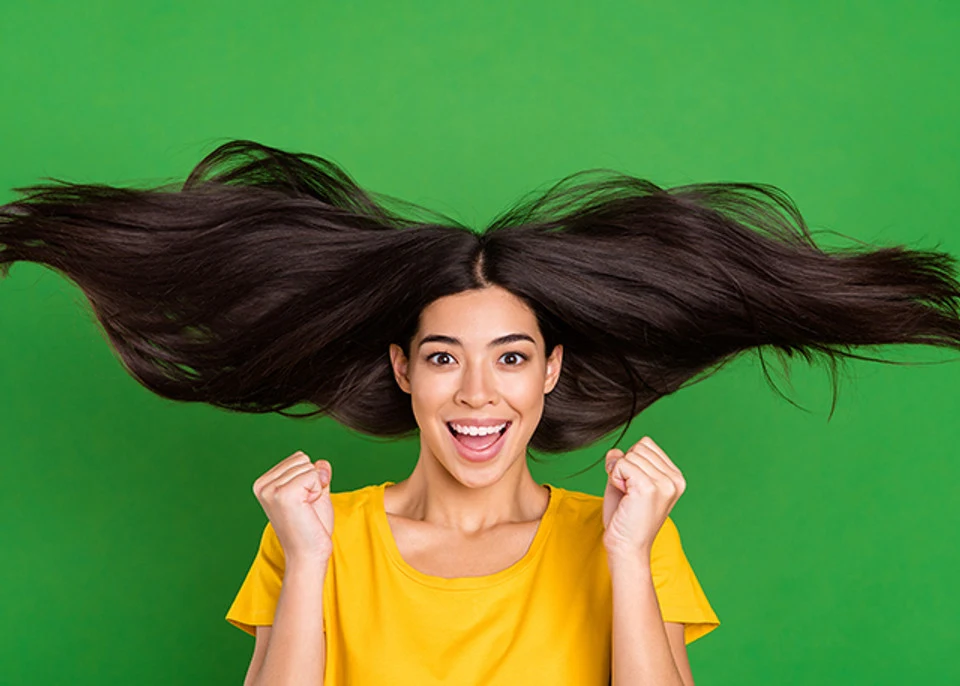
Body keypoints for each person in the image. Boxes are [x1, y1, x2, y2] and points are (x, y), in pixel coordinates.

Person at [3, 140, 960, 685]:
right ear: (403, 373)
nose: (475, 392)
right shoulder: (319, 537)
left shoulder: (625, 537)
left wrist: (629, 555)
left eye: (509, 358)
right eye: (442, 358)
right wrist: (306, 566)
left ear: (549, 373)